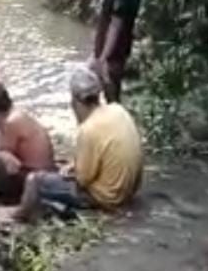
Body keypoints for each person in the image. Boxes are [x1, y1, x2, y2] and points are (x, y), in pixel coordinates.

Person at [10, 66, 143, 222]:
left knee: (35, 181)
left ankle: (18, 217)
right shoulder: (118, 110)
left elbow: (82, 180)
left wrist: (70, 172)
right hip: (129, 191)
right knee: (64, 169)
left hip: (108, 198)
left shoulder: (88, 129)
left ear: (76, 101)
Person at [0, 82, 56, 204]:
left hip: (34, 178)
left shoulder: (10, 123)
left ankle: (4, 200)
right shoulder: (18, 114)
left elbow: (11, 165)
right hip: (46, 172)